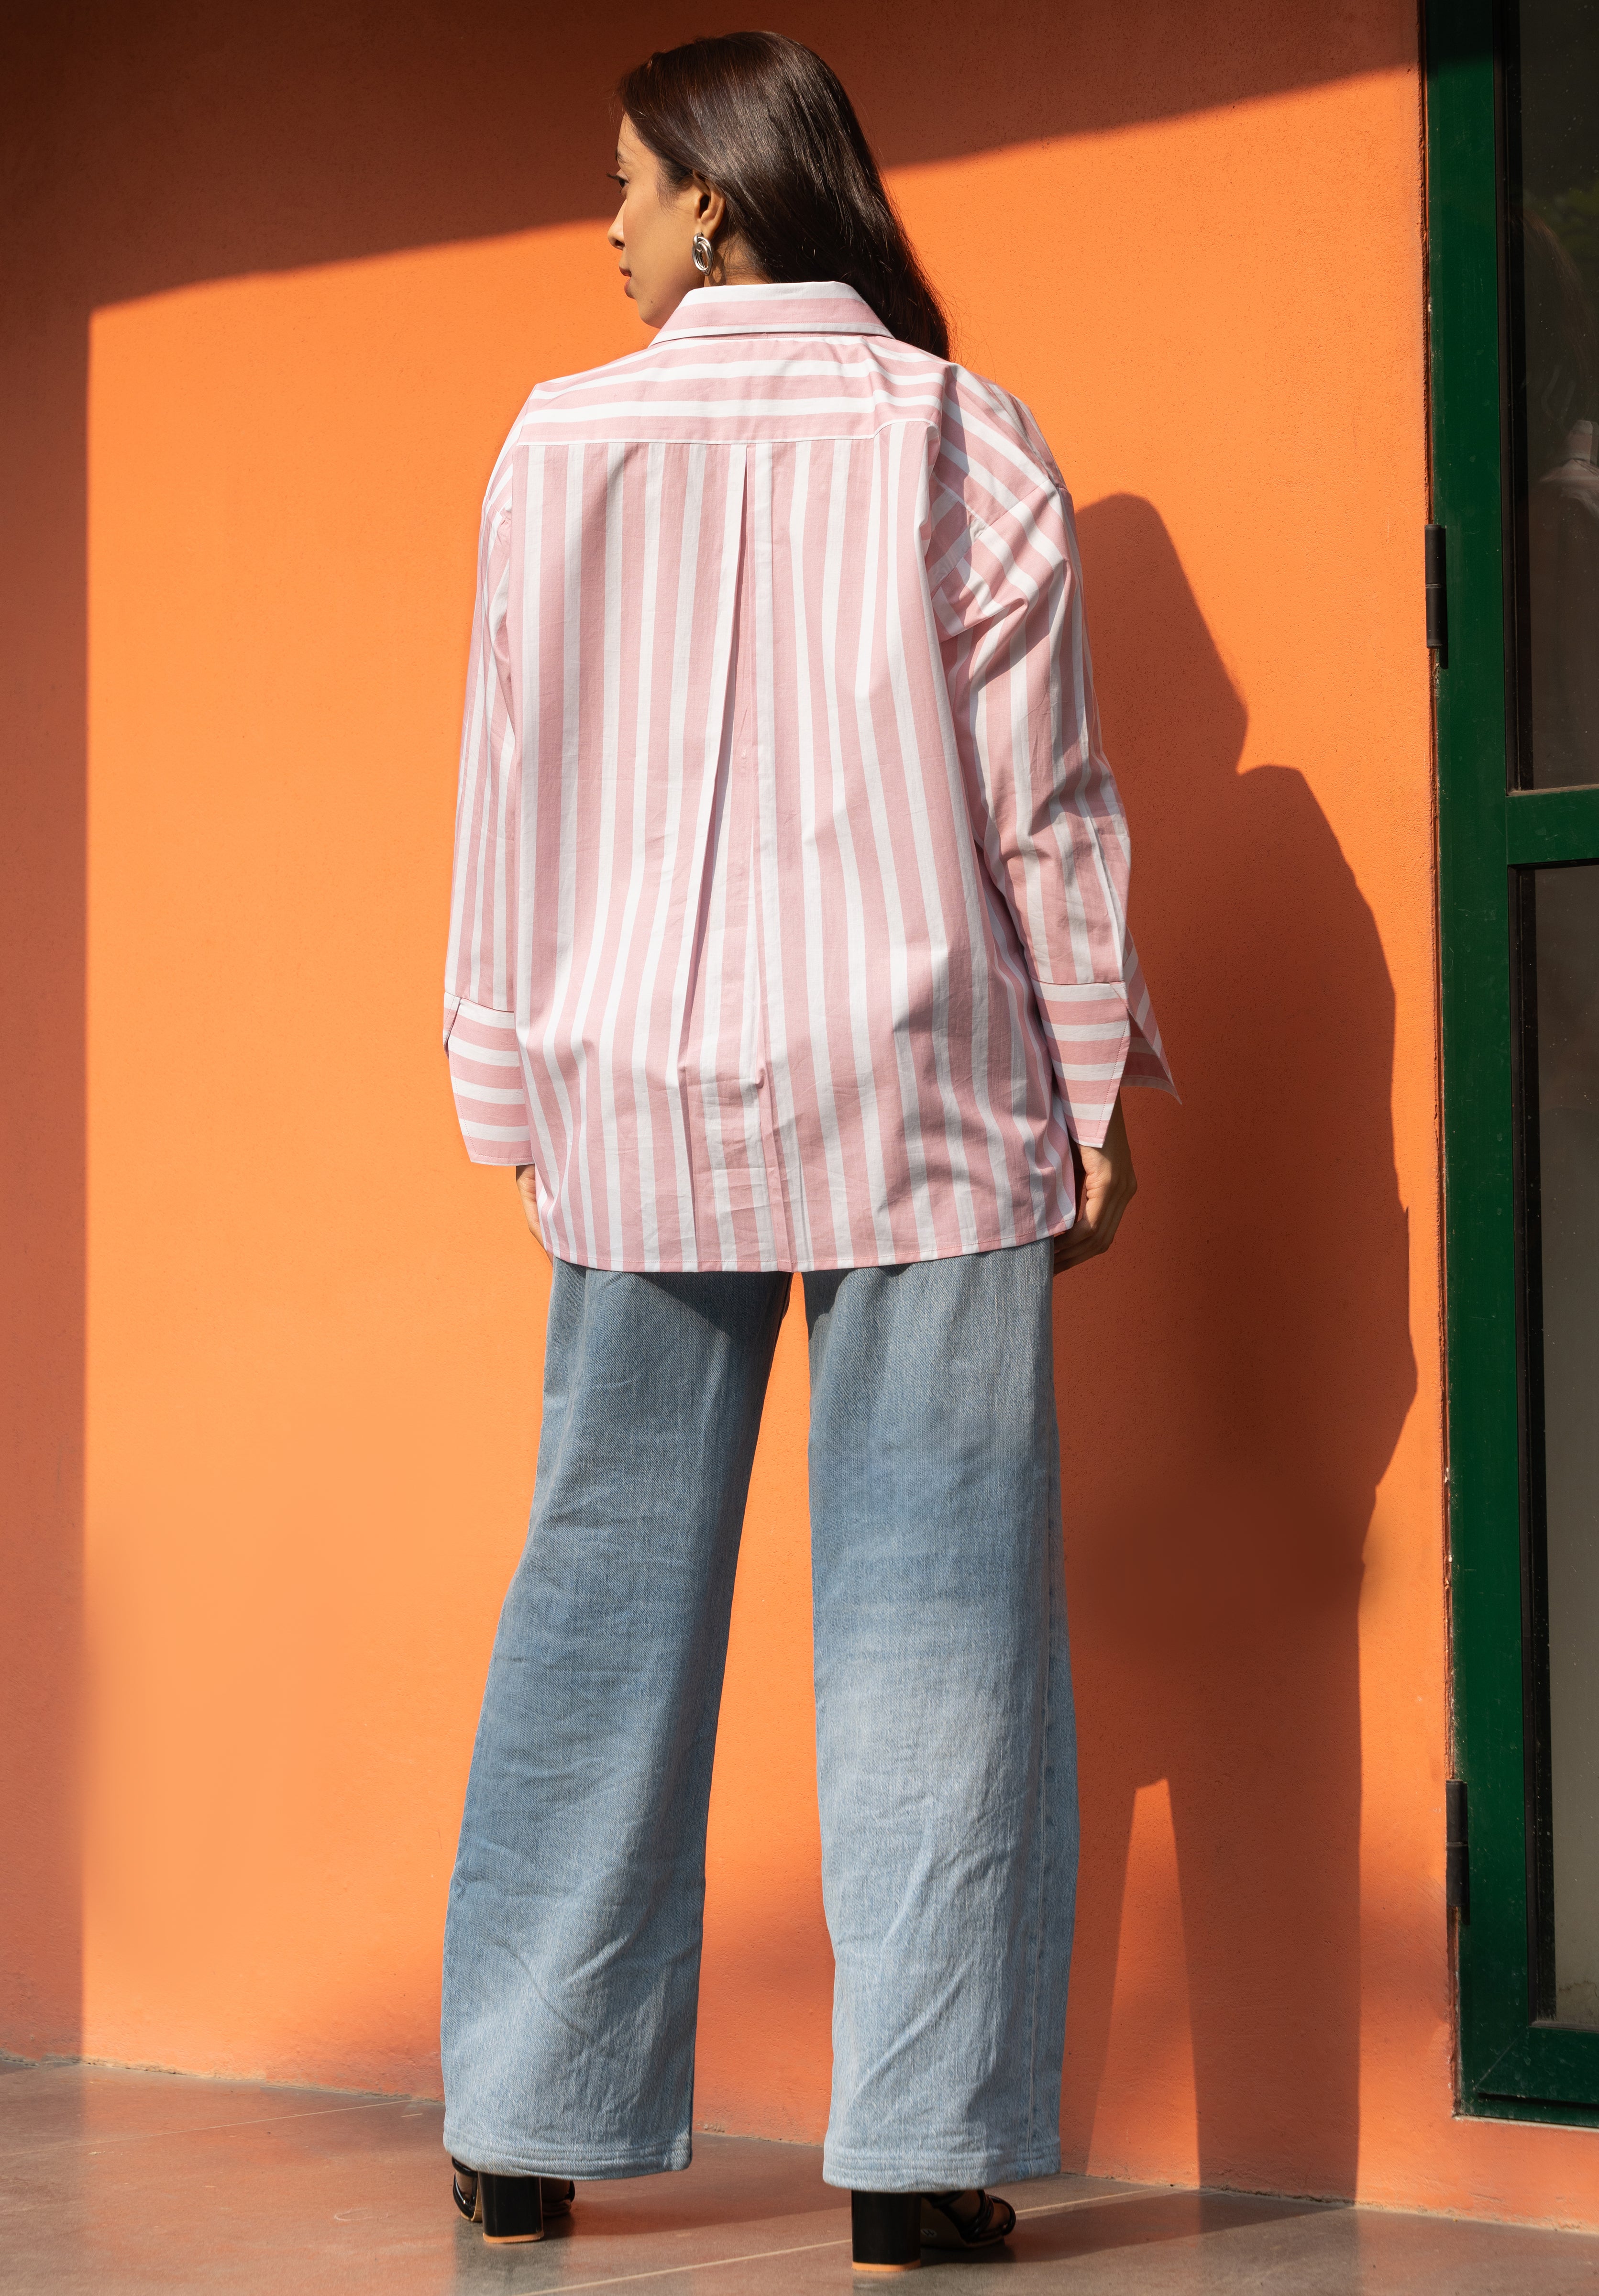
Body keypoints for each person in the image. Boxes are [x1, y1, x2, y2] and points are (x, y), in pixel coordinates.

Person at [438, 30, 1172, 2274]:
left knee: (597, 1578)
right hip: (927, 1087)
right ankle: (923, 2154)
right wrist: (1092, 1086)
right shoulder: (962, 434)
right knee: (936, 1612)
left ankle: (521, 2121)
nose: (612, 230)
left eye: (634, 192)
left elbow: (508, 777)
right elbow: (1040, 803)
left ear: (725, 207)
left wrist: (504, 1084)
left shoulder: (557, 441)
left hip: (632, 1094)